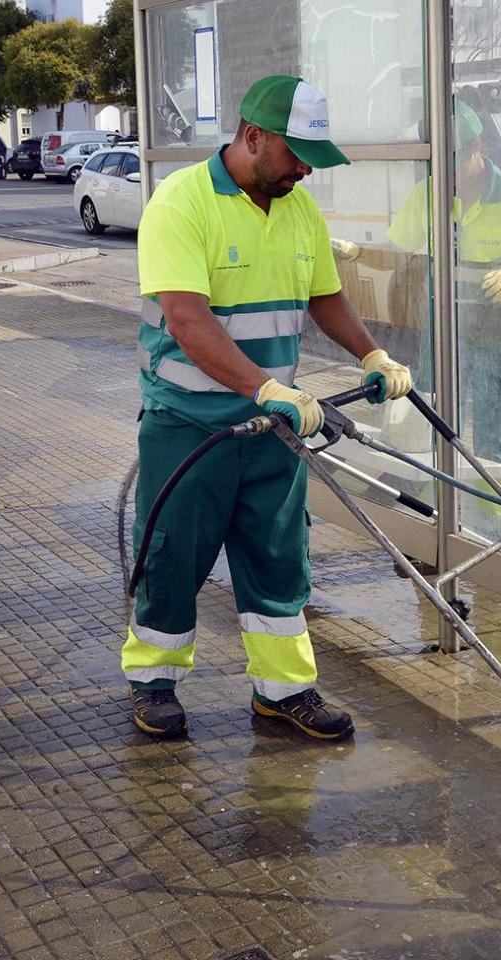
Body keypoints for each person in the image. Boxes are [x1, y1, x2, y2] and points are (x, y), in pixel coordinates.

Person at [125, 75, 413, 741]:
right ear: (254, 137)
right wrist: (268, 388)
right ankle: (154, 680)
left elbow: (325, 295)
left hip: (273, 429)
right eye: (297, 153)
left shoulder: (297, 210)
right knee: (172, 560)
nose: (307, 169)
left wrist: (372, 357)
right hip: (189, 428)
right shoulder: (181, 204)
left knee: (280, 561)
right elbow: (189, 322)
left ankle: (283, 692)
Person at [333, 97, 501, 519]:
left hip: (498, 329)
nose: (445, 170)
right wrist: (360, 251)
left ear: (478, 145)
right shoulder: (429, 193)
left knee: (499, 434)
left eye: (452, 158)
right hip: (444, 327)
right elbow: (400, 252)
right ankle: (435, 523)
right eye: (436, 159)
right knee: (433, 425)